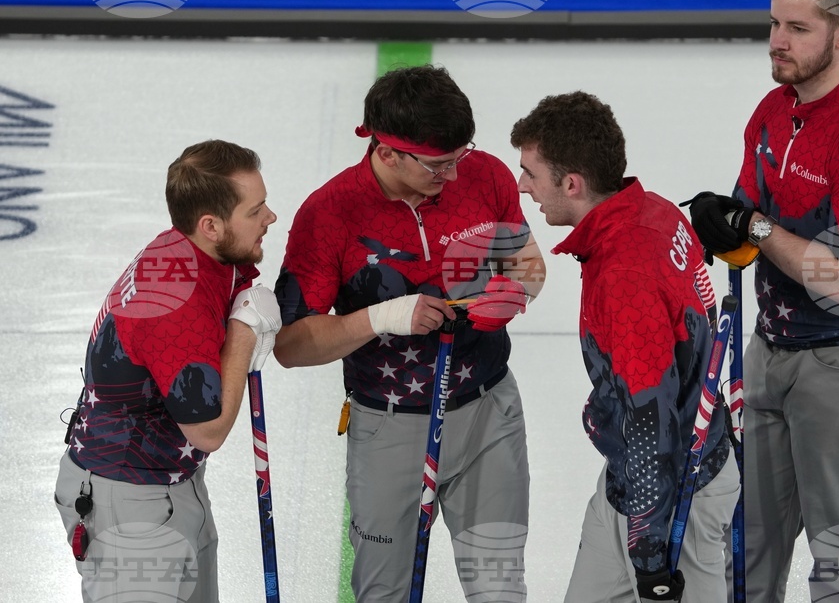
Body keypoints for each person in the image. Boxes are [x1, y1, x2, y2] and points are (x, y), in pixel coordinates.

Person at [684, 0, 839, 601]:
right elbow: (744, 234)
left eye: (798, 28)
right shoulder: (771, 111)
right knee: (744, 544)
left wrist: (754, 228)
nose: (777, 43)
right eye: (773, 25)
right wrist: (720, 230)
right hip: (772, 355)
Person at [272, 64, 544, 601]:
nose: (454, 174)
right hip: (387, 429)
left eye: (460, 156)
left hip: (488, 416)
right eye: (438, 164)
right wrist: (383, 318)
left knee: (500, 589)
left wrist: (514, 294)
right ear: (387, 151)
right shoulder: (329, 214)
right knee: (383, 593)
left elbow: (527, 264)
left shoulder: (483, 174)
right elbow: (291, 345)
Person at [511, 91, 740, 602]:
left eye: (530, 172)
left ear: (571, 183)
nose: (521, 186)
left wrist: (649, 546)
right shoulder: (650, 210)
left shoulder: (623, 275)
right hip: (638, 481)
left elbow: (650, 416)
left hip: (673, 495)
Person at [54, 139, 281, 602]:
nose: (271, 217)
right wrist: (243, 334)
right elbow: (209, 431)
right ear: (211, 225)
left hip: (170, 485)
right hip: (131, 504)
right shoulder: (175, 307)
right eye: (256, 209)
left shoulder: (191, 248)